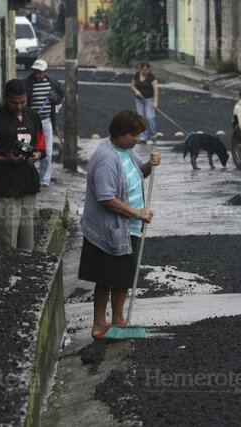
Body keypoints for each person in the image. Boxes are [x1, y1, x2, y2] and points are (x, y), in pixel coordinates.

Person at [78, 110, 161, 340]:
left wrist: (149, 166)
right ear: (120, 134)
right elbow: (106, 199)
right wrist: (137, 212)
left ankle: (118, 320)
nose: (137, 139)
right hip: (108, 230)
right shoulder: (106, 158)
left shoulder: (127, 152)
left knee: (123, 277)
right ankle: (98, 325)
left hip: (128, 227)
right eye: (134, 135)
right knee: (105, 278)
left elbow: (135, 176)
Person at [0, 79, 45, 250]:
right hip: (4, 187)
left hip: (28, 184)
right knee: (5, 242)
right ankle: (3, 276)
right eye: (14, 103)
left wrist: (36, 155)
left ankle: (24, 275)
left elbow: (41, 147)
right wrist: (6, 159)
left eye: (23, 102)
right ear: (5, 98)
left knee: (27, 243)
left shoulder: (34, 117)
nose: (19, 107)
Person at [24, 59, 63, 187]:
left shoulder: (53, 83)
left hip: (46, 122)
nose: (37, 75)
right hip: (30, 122)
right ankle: (29, 177)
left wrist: (55, 97)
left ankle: (44, 180)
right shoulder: (26, 84)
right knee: (28, 150)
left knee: (47, 152)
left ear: (45, 72)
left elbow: (59, 100)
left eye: (40, 73)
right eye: (35, 72)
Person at [129, 62, 159, 144]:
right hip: (139, 100)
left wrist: (155, 102)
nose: (146, 71)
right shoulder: (137, 75)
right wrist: (136, 91)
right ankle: (143, 137)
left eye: (147, 70)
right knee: (141, 118)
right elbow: (132, 85)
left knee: (150, 117)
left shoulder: (151, 77)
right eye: (144, 70)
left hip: (149, 99)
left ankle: (153, 135)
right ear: (140, 69)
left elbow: (156, 90)